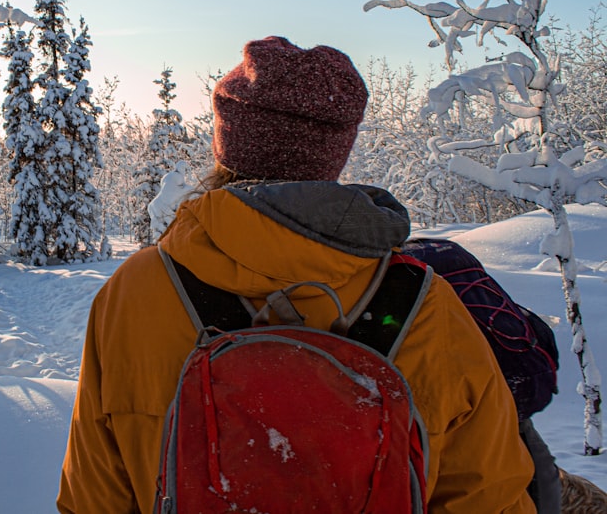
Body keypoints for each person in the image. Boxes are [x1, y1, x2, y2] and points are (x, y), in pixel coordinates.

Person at [57, 36, 537, 513]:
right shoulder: (425, 304)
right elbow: (491, 497)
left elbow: (92, 496)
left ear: (226, 146)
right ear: (335, 153)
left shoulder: (137, 291)